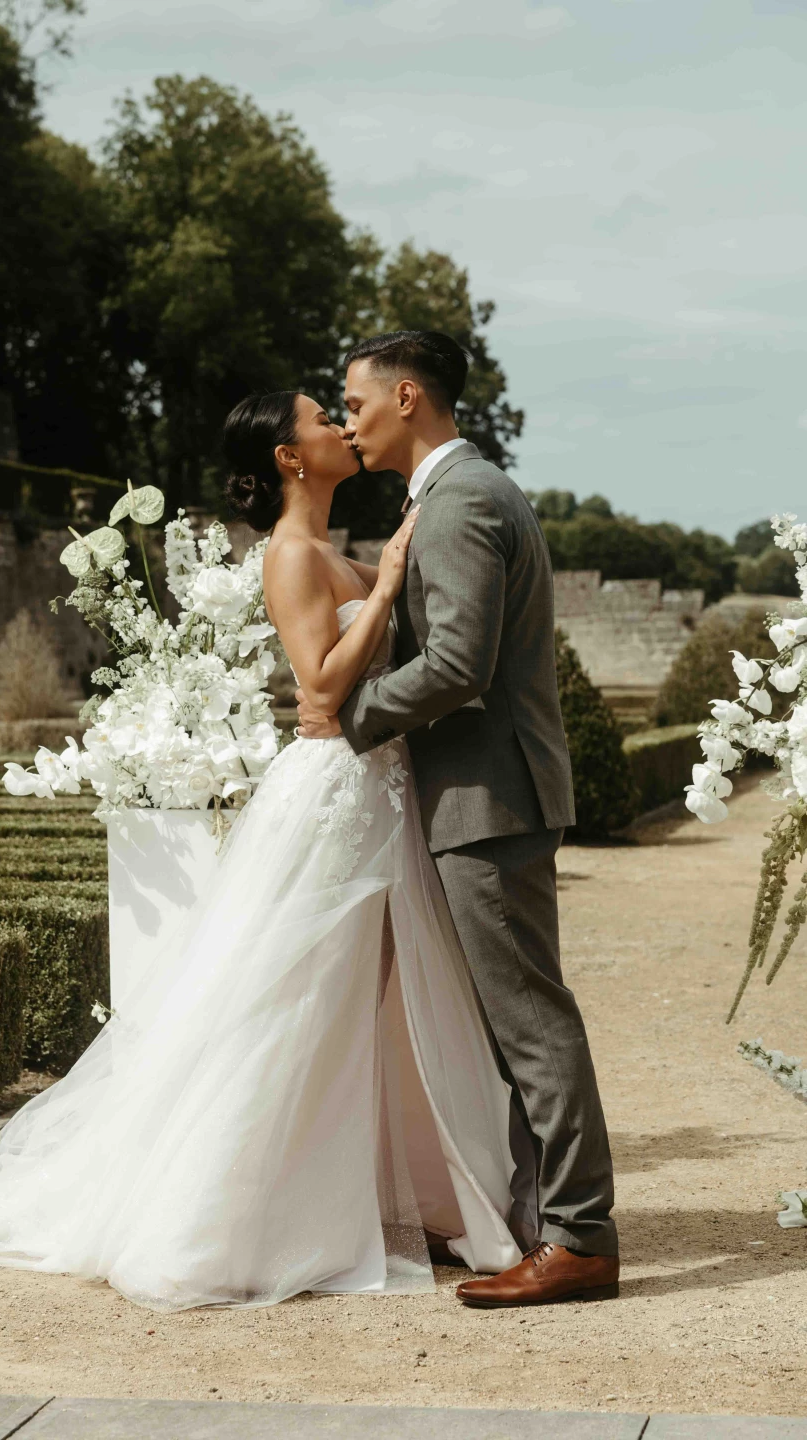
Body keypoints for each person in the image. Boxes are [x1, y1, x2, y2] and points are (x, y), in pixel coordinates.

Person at [0, 389, 526, 1313]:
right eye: (321, 418)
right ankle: (223, 1215)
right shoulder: (291, 554)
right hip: (335, 793)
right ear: (290, 458)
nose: (340, 425)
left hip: (377, 789)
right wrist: (384, 588)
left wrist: (393, 570)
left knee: (372, 997)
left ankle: (392, 1192)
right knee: (295, 992)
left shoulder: (329, 550)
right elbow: (322, 688)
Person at [296, 330, 619, 1309]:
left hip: (489, 796)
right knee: (511, 1022)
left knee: (530, 1020)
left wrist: (350, 715)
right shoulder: (451, 496)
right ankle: (537, 1220)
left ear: (407, 397)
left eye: (357, 402)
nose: (350, 421)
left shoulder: (463, 499)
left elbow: (458, 665)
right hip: (485, 792)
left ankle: (580, 1238)